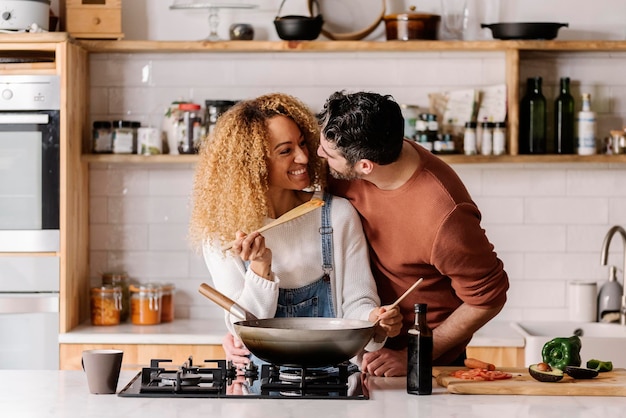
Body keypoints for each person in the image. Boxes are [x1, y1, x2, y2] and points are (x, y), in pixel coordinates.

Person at [188, 93, 402, 369]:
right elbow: (242, 327)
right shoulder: (221, 232)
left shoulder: (337, 214)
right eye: (285, 151)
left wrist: (376, 322)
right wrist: (260, 267)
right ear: (251, 165)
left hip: (335, 379)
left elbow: (357, 302)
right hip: (258, 382)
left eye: (302, 143)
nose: (304, 156)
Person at [314, 91, 510, 377]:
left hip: (417, 363)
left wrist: (413, 356)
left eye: (328, 154)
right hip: (355, 345)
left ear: (365, 166)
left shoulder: (445, 216)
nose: (318, 155)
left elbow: (488, 299)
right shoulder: (365, 148)